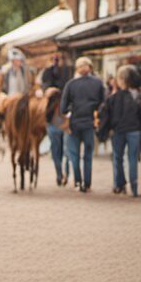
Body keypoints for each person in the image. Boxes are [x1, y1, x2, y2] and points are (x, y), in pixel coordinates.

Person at [60, 56, 106, 192]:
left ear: (77, 69)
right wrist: (97, 114)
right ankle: (87, 183)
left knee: (74, 154)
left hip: (74, 123)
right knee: (88, 155)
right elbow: (104, 104)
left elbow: (63, 108)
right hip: (89, 123)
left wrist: (70, 111)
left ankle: (78, 181)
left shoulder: (70, 84)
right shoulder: (98, 83)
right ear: (90, 67)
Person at [98, 65, 141, 195]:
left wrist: (104, 131)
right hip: (135, 130)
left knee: (118, 158)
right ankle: (134, 188)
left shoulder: (113, 97)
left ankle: (119, 185)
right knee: (133, 158)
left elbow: (105, 115)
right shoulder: (138, 95)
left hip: (118, 131)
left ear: (121, 79)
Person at [43, 87, 69, 186]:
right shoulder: (63, 102)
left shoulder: (49, 103)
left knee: (55, 153)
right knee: (63, 152)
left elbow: (46, 116)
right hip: (62, 129)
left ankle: (59, 174)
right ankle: (65, 174)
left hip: (53, 129)